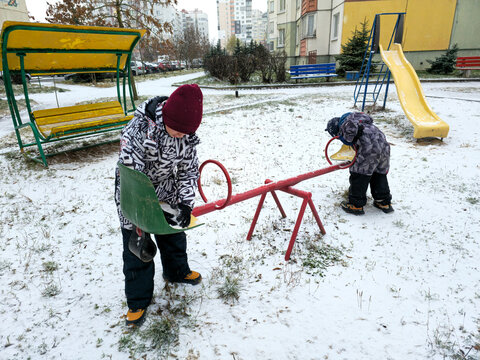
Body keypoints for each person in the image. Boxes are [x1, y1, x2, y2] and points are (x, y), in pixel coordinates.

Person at [114, 84, 203, 326]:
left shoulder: (185, 136)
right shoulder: (139, 129)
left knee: (174, 233)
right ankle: (138, 300)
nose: (180, 136)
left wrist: (185, 204)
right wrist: (145, 210)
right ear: (168, 116)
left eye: (185, 133)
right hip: (134, 187)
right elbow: (132, 171)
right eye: (176, 131)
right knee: (137, 245)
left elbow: (187, 170)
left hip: (165, 187)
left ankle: (176, 271)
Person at [326, 112, 394, 215]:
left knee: (360, 175)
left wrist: (344, 138)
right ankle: (383, 202)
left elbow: (349, 136)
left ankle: (356, 205)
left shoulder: (347, 123)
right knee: (378, 174)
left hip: (368, 150)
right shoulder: (362, 121)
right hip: (383, 148)